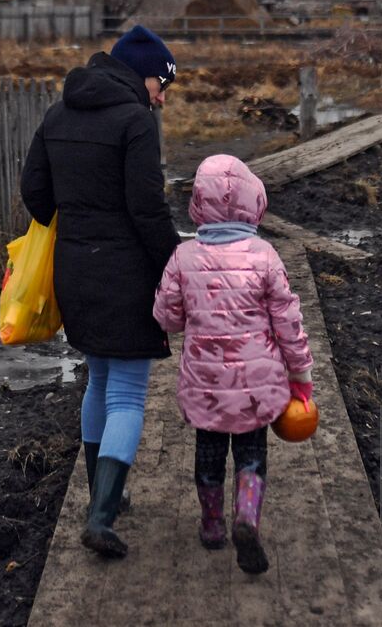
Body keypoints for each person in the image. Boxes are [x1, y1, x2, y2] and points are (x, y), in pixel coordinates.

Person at [20, 25, 181, 559]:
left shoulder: (58, 112)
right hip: (126, 273)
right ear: (142, 72)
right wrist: (176, 264)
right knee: (128, 394)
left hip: (74, 270)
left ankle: (101, 495)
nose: (163, 95)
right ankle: (103, 514)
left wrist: (77, 222)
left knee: (99, 380)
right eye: (162, 82)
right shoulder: (135, 121)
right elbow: (146, 207)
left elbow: (34, 192)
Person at [152, 154, 314, 575]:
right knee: (251, 455)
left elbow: (167, 319)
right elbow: (288, 322)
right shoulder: (264, 255)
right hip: (256, 384)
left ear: (198, 204)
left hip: (204, 382)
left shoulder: (183, 256)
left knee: (208, 455)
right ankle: (247, 518)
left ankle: (211, 524)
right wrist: (301, 375)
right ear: (252, 201)